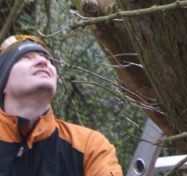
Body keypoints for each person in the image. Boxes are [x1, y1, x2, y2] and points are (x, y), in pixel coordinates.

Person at [0, 33, 123, 176]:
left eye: (47, 59)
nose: (43, 62)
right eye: (26, 58)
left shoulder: (89, 146)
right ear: (3, 82)